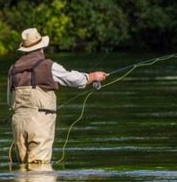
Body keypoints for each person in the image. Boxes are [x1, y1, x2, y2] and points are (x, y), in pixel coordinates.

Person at [7, 28, 107, 164]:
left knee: (23, 169)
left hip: (18, 123)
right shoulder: (48, 66)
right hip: (40, 123)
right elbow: (72, 78)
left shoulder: (13, 69)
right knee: (39, 168)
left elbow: (9, 100)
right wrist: (92, 76)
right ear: (41, 48)